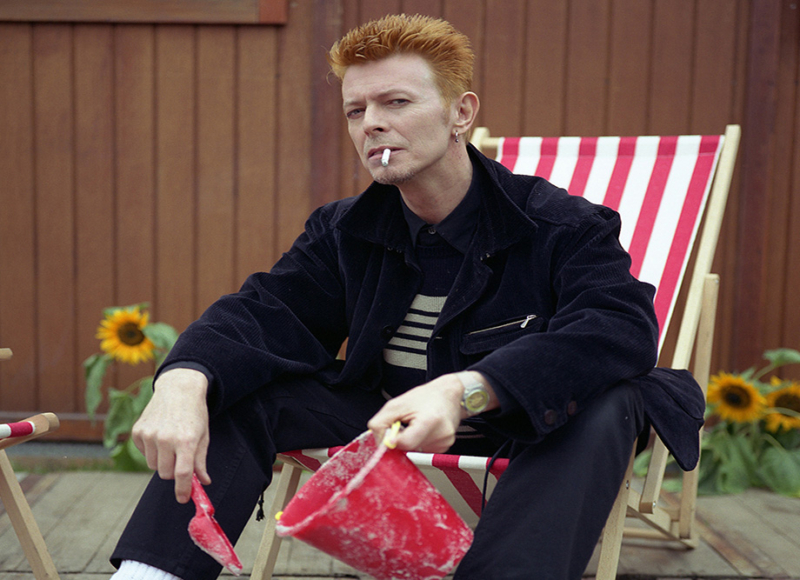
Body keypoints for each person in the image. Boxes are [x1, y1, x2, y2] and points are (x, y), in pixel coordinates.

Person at [110, 14, 705, 580]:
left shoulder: (559, 223)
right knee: (233, 383)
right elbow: (269, 312)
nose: (371, 122)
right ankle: (151, 572)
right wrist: (183, 380)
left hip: (525, 428)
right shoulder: (347, 228)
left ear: (460, 113)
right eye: (355, 109)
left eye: (396, 102)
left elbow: (617, 329)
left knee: (612, 400)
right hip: (389, 417)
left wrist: (466, 390)